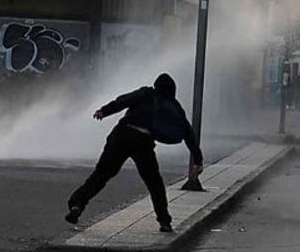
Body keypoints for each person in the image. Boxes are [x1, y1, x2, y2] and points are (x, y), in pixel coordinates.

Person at [65, 74, 203, 233]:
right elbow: (188, 134)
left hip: (122, 135)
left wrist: (104, 111)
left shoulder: (145, 93)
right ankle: (164, 221)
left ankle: (77, 204)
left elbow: (123, 101)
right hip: (143, 142)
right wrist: (198, 160)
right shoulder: (173, 106)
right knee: (154, 184)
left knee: (101, 175)